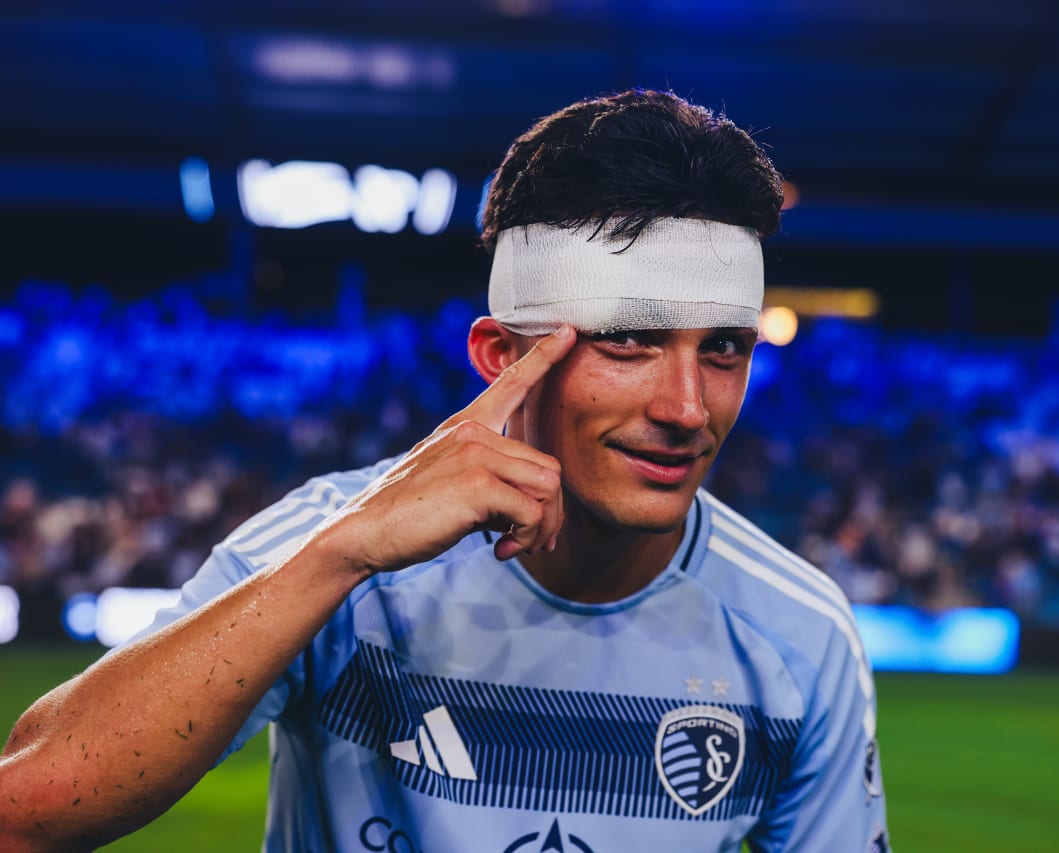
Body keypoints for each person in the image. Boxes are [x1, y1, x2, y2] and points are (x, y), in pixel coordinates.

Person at [0, 90, 888, 851]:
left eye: (724, 349)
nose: (688, 407)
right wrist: (336, 560)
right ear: (502, 357)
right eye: (630, 340)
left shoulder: (801, 635)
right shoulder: (330, 539)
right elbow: (27, 812)